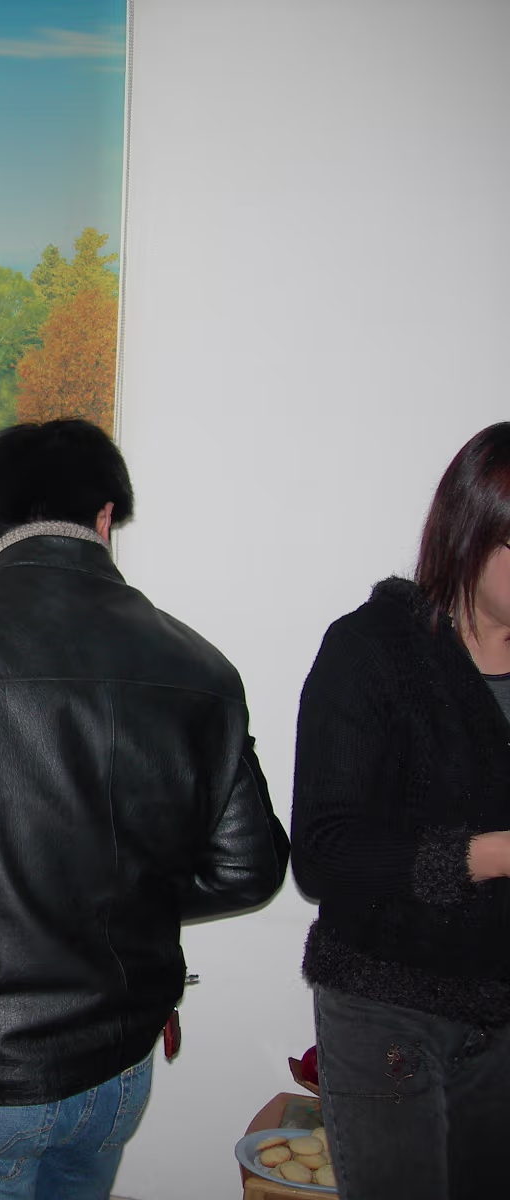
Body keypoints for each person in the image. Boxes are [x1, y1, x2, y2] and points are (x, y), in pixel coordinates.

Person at [0, 418, 289, 1200]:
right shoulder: (203, 666)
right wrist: (115, 894)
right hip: (118, 1069)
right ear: (105, 519)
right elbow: (250, 866)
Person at [292, 422, 510, 1200]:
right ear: (469, 530)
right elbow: (324, 852)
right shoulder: (372, 649)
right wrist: (491, 854)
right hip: (388, 1006)